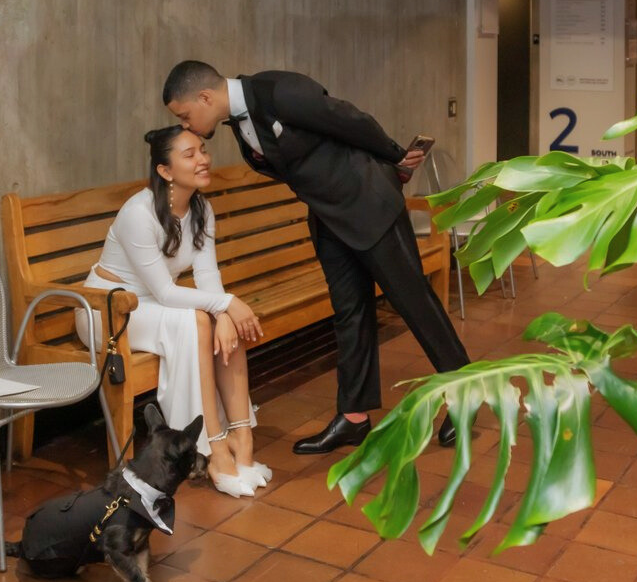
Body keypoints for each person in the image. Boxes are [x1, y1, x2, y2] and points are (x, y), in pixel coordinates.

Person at [163, 61, 470, 454]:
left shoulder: (279, 91)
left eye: (186, 115)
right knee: (350, 311)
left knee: (412, 302)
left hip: (368, 203)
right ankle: (354, 416)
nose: (188, 125)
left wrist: (395, 158)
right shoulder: (241, 124)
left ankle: (467, 392)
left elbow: (351, 121)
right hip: (328, 218)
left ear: (205, 97)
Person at [77, 126, 270, 498]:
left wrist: (225, 315)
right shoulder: (138, 213)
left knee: (215, 321)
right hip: (109, 309)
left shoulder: (201, 207)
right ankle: (212, 448)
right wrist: (226, 305)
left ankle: (243, 442)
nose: (203, 159)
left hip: (153, 304)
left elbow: (207, 275)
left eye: (203, 150)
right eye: (190, 154)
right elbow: (165, 291)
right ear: (165, 171)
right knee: (201, 318)